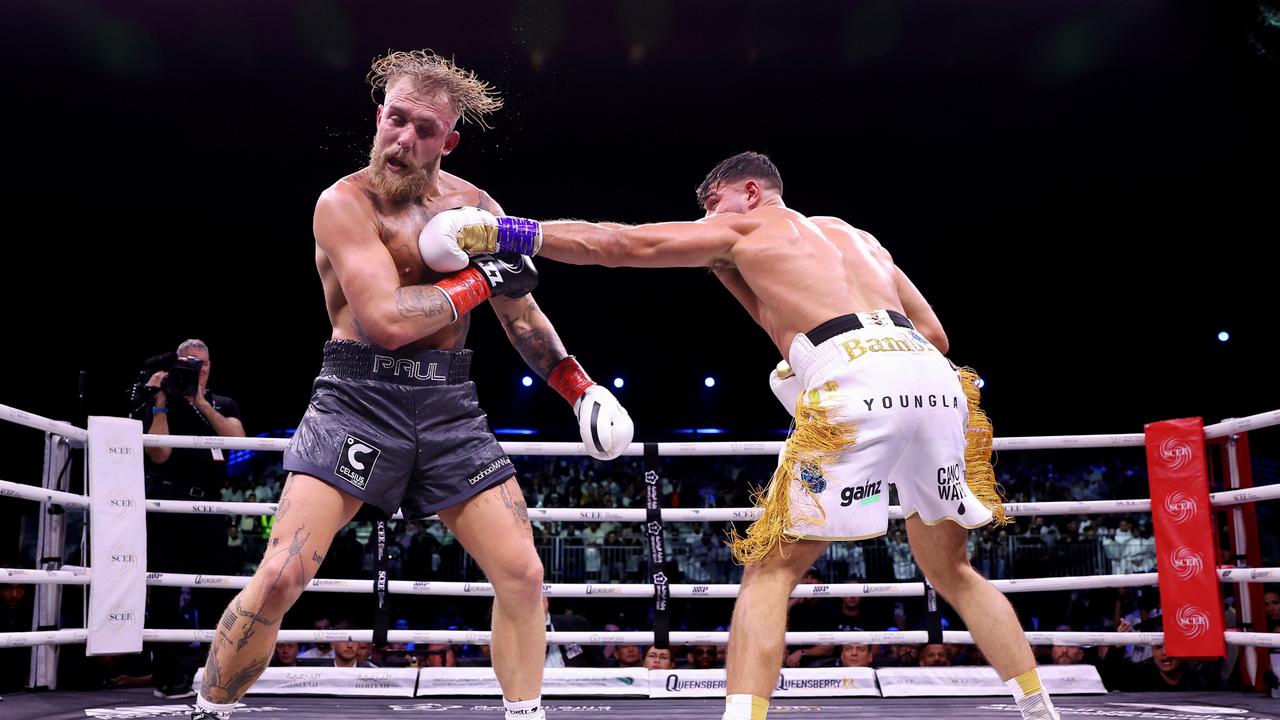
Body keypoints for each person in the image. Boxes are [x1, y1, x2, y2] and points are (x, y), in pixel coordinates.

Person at [421, 150, 1056, 720]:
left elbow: (621, 245)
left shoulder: (746, 224)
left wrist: (502, 230)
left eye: (711, 205)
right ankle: (1041, 710)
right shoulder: (854, 235)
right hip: (937, 385)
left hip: (857, 382)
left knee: (770, 571)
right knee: (953, 569)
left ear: (749, 192)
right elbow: (938, 338)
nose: (704, 220)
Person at [191, 50, 631, 720]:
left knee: (524, 575)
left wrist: (579, 388)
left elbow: (520, 314)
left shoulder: (477, 208)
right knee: (283, 574)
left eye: (424, 129)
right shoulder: (343, 203)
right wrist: (481, 278)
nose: (404, 139)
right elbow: (389, 320)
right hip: (356, 399)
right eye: (395, 119)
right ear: (378, 116)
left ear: (447, 141)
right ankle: (211, 706)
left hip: (448, 405)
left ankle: (525, 715)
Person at [144, 338, 245, 698]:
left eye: (201, 363)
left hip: (211, 509)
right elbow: (159, 454)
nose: (196, 369)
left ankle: (218, 676)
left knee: (219, 592)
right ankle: (170, 679)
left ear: (210, 366)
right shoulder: (163, 399)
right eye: (188, 363)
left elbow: (238, 441)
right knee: (166, 592)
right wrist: (159, 403)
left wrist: (201, 402)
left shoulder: (221, 403)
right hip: (167, 505)